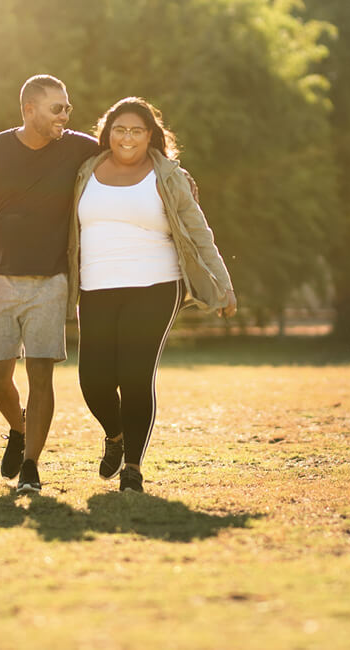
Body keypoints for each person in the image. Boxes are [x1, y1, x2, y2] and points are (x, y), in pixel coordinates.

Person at [66, 97, 237, 493]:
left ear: (151, 136)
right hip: (95, 286)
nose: (127, 138)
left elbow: (199, 231)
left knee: (135, 376)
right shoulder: (85, 172)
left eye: (137, 131)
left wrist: (223, 284)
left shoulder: (169, 176)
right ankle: (115, 435)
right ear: (108, 133)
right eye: (120, 129)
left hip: (156, 285)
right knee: (93, 380)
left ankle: (132, 468)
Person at [0, 74, 100, 493]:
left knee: (42, 374)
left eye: (68, 108)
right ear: (29, 110)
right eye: (57, 108)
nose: (65, 116)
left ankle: (31, 467)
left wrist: (176, 177)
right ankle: (18, 427)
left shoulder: (79, 148)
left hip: (51, 281)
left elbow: (130, 155)